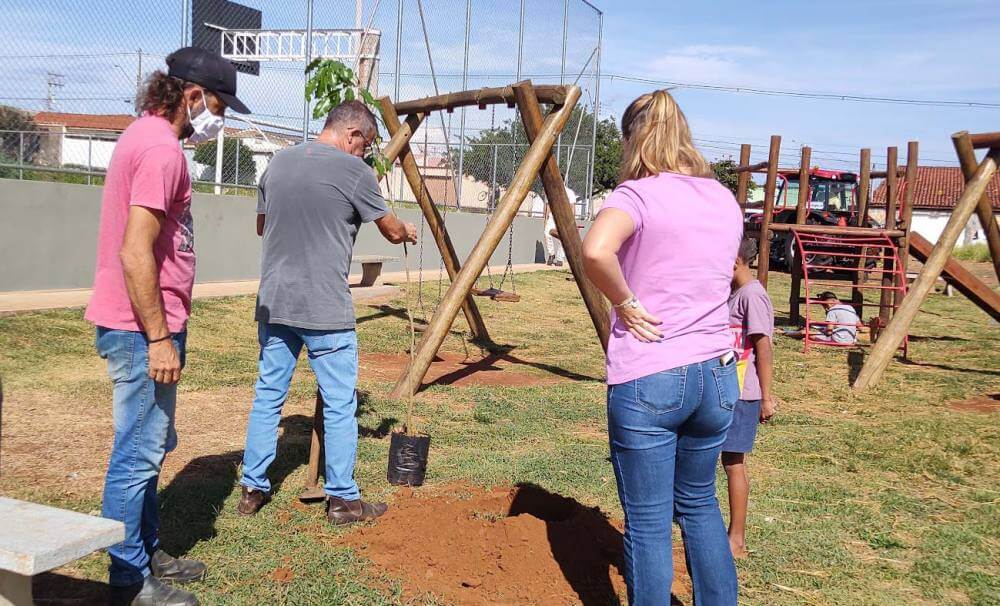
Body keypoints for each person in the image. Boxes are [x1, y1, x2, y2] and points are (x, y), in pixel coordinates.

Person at [85, 47, 250, 606]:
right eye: (219, 107)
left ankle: (146, 550)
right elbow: (136, 252)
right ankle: (129, 581)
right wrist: (158, 337)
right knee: (137, 453)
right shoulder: (161, 151)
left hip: (143, 324)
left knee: (148, 447)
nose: (218, 120)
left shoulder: (146, 137)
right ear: (193, 96)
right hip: (141, 330)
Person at [582, 89, 743, 606]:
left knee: (649, 521)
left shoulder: (636, 195)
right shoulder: (722, 198)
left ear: (634, 138)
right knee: (699, 503)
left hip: (651, 375)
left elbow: (595, 250)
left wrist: (625, 302)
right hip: (717, 375)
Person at [237, 101, 417, 526]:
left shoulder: (278, 163)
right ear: (352, 134)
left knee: (268, 396)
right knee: (339, 402)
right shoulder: (355, 172)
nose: (364, 153)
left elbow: (263, 227)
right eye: (365, 145)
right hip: (325, 308)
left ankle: (252, 489)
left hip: (276, 302)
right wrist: (406, 231)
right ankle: (343, 500)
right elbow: (391, 231)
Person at [722, 238, 777, 559]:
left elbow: (763, 347)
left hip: (744, 394)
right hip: (728, 389)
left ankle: (737, 539)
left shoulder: (753, 296)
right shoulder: (735, 294)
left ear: (735, 262)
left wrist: (766, 398)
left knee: (734, 463)